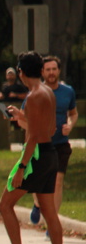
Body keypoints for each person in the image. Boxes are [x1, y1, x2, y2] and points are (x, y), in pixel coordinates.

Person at [0, 51, 67, 244]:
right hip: (50, 153)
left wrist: (22, 167)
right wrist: (22, 116)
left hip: (36, 157)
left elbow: (33, 135)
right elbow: (49, 128)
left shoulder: (34, 96)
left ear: (21, 72)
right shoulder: (47, 92)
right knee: (49, 211)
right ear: (42, 70)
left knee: (5, 205)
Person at [29, 55, 78, 225]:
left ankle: (52, 223)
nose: (51, 73)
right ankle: (37, 204)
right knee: (39, 181)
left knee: (57, 182)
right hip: (41, 144)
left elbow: (73, 113)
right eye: (48, 70)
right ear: (42, 72)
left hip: (61, 144)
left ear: (59, 71)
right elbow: (25, 117)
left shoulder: (68, 91)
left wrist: (69, 125)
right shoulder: (35, 92)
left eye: (54, 69)